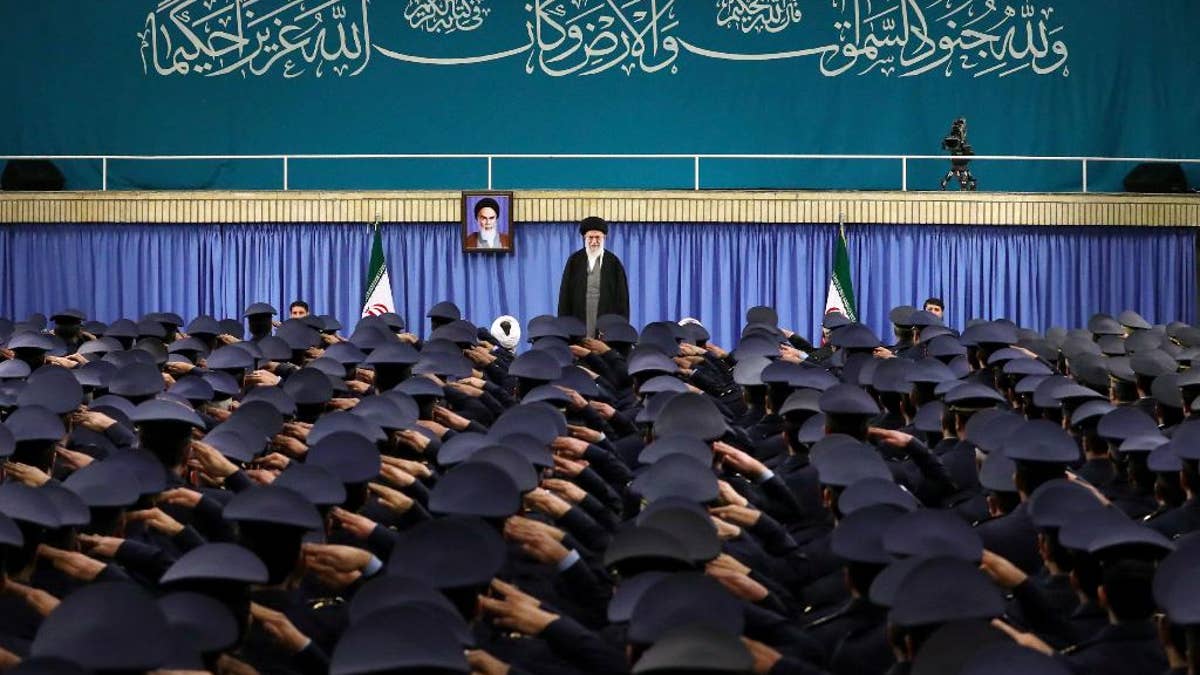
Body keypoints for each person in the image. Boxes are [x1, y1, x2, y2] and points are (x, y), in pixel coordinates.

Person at [557, 216, 630, 337]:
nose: (594, 241)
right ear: (584, 238)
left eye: (598, 237)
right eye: (590, 237)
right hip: (578, 324)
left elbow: (622, 301)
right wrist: (564, 327)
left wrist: (620, 329)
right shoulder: (574, 261)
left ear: (604, 238)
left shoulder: (614, 263)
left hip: (606, 328)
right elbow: (564, 296)